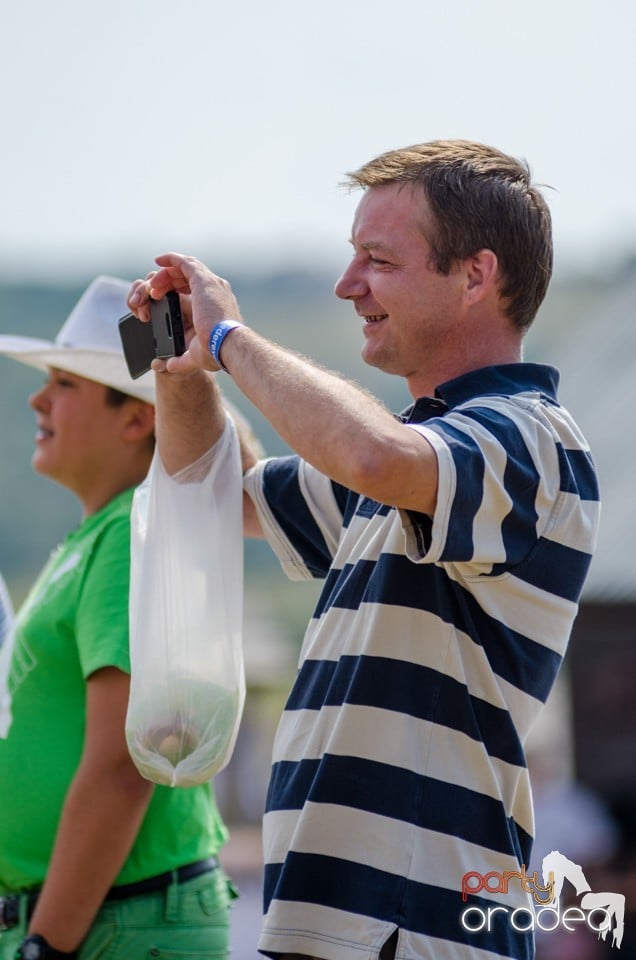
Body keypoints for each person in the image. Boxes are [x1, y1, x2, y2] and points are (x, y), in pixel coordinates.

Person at [127, 140, 600, 960]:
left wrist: (232, 338)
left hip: (407, 925)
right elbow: (224, 492)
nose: (348, 286)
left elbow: (374, 458)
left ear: (476, 277)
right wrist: (184, 370)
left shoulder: (531, 437)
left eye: (376, 260)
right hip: (357, 918)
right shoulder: (425, 450)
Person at [0, 277, 238, 960]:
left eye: (65, 383)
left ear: (137, 418)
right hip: (110, 923)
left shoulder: (127, 538)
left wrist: (48, 941)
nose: (37, 398)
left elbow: (124, 764)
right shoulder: (100, 539)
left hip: (118, 928)